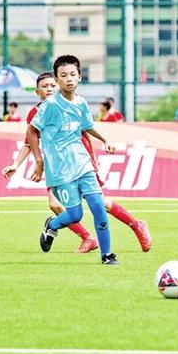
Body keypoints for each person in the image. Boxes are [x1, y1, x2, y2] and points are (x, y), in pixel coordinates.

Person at [3, 72, 151, 254]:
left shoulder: (71, 103)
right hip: (57, 166)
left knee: (101, 203)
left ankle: (136, 226)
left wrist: (93, 157)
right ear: (37, 92)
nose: (49, 89)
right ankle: (88, 238)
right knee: (55, 205)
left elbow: (85, 131)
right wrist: (16, 165)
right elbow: (29, 142)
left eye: (52, 85)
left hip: (79, 162)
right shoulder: (36, 113)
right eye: (44, 86)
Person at [27, 55, 120, 265]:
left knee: (98, 206)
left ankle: (107, 254)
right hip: (60, 170)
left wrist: (105, 140)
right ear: (57, 80)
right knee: (75, 215)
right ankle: (52, 225)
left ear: (79, 77)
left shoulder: (81, 103)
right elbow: (31, 131)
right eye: (63, 75)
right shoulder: (50, 105)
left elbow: (87, 126)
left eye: (72, 74)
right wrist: (39, 161)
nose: (68, 79)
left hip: (82, 164)